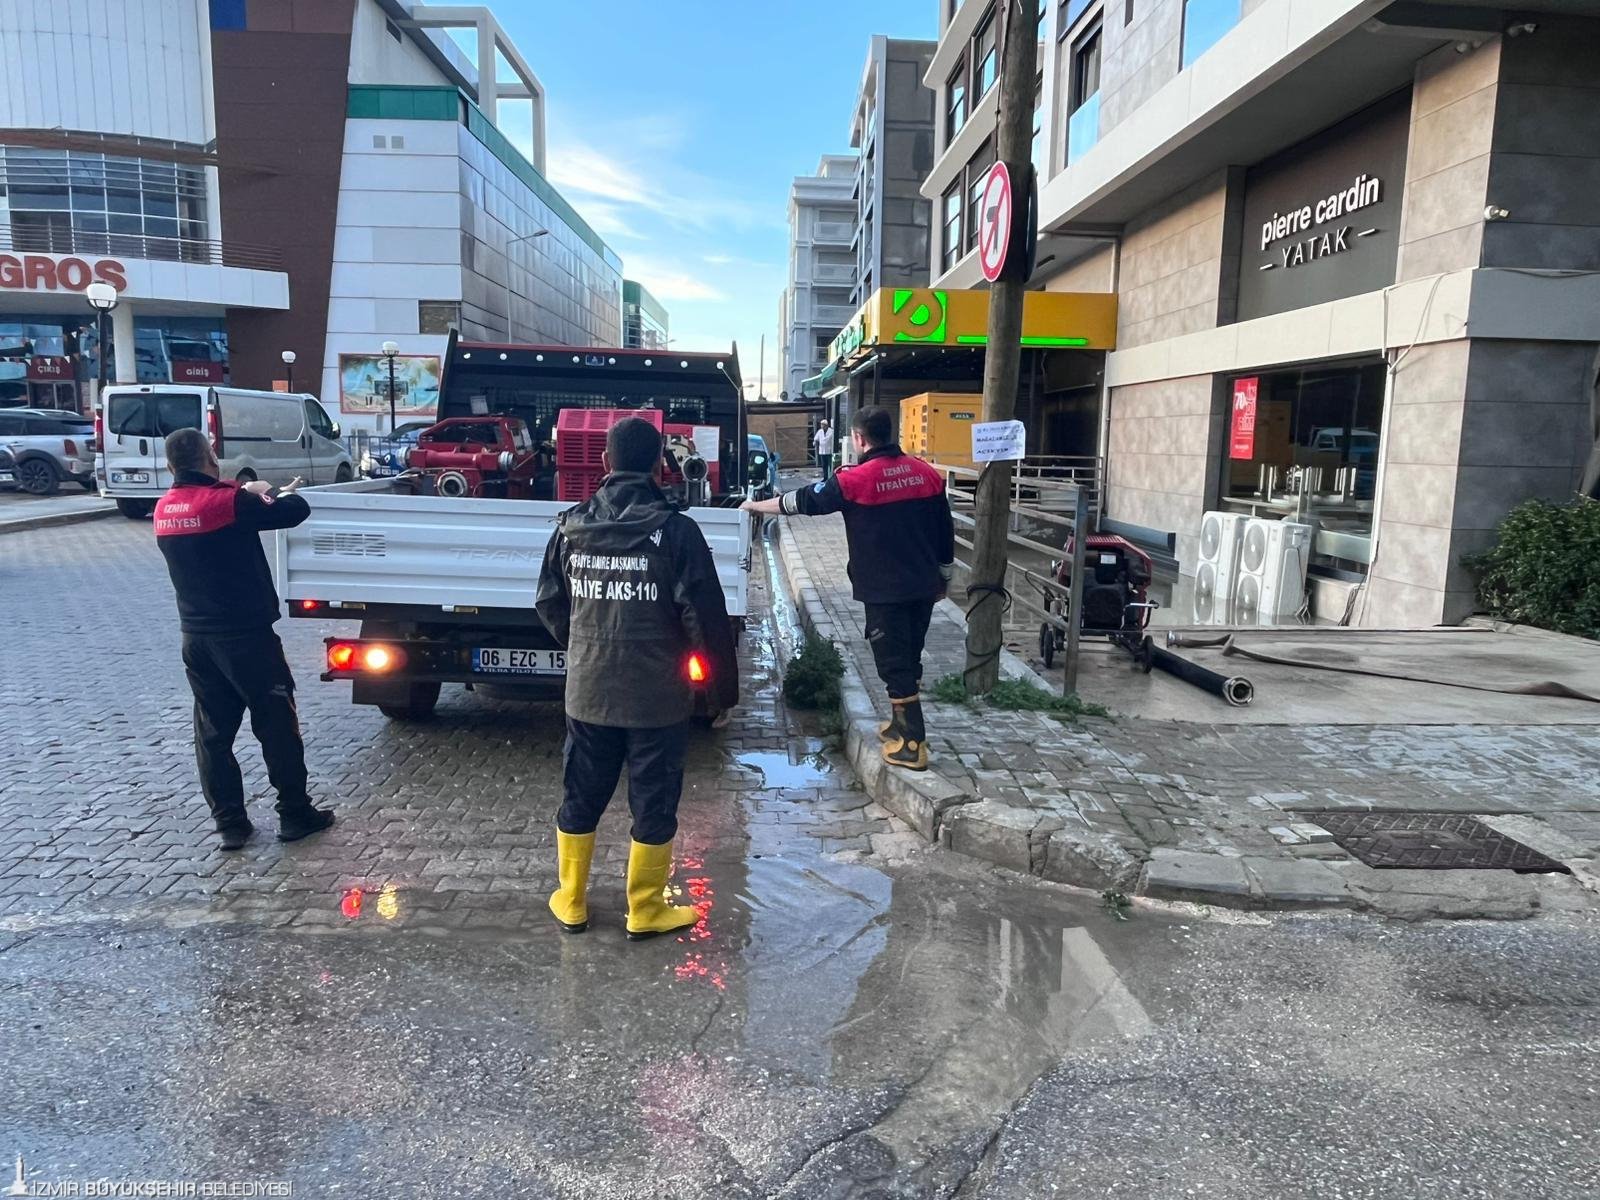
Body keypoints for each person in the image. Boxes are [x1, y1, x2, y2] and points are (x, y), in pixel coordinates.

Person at [535, 417, 738, 939]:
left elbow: (550, 603)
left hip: (588, 694)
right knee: (653, 801)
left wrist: (586, 649)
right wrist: (718, 693)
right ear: (657, 466)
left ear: (605, 463)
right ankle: (645, 909)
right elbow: (705, 617)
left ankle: (572, 900)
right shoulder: (678, 532)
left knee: (580, 794)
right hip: (658, 698)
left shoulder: (570, 526)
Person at [153, 428, 335, 850]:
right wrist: (262, 491)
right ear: (210, 457)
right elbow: (296, 509)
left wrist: (244, 491)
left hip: (196, 640)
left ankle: (230, 824)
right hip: (246, 639)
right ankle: (294, 813)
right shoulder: (228, 502)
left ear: (169, 466)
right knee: (276, 725)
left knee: (213, 735)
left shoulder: (165, 508)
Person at [743, 406, 953, 771]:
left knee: (893, 663)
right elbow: (945, 531)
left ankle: (912, 744)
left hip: (884, 589)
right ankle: (899, 724)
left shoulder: (855, 480)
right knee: (910, 655)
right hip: (924, 585)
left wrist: (754, 505)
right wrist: (946, 577)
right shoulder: (926, 474)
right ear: (891, 433)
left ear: (859, 438)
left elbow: (801, 501)